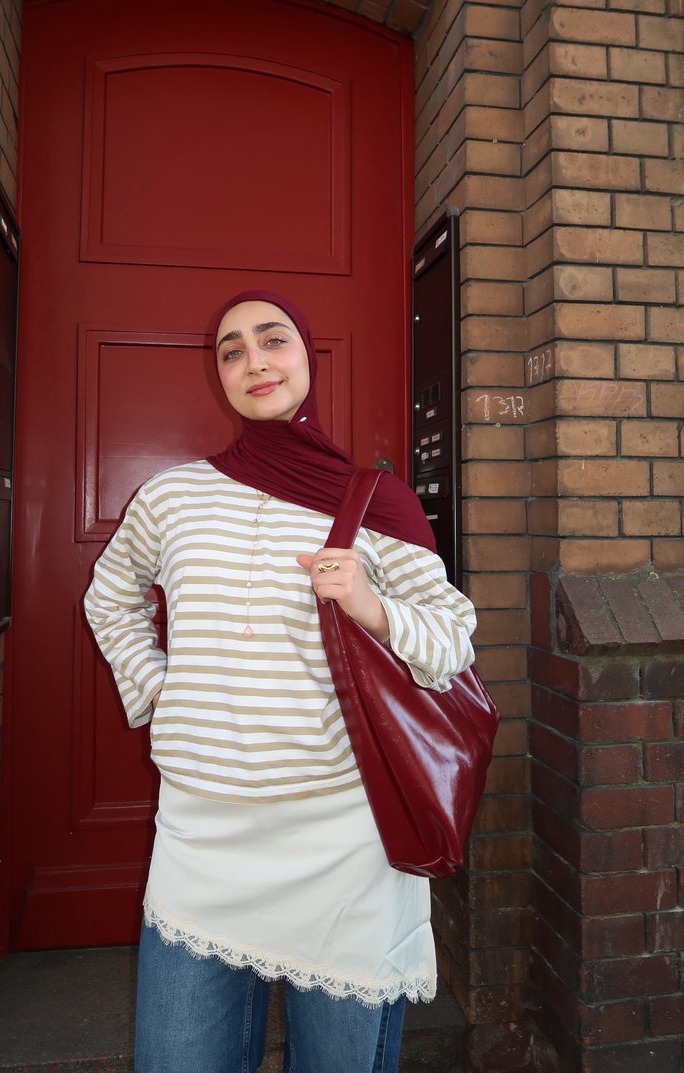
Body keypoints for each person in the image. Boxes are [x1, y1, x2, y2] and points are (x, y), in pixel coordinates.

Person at [84, 290, 477, 1073]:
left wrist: (369, 605)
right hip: (202, 836)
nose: (255, 361)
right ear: (219, 374)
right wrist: (161, 690)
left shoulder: (378, 503)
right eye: (232, 349)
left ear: (307, 356)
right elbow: (109, 594)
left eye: (274, 340)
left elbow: (452, 641)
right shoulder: (172, 498)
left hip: (341, 835)